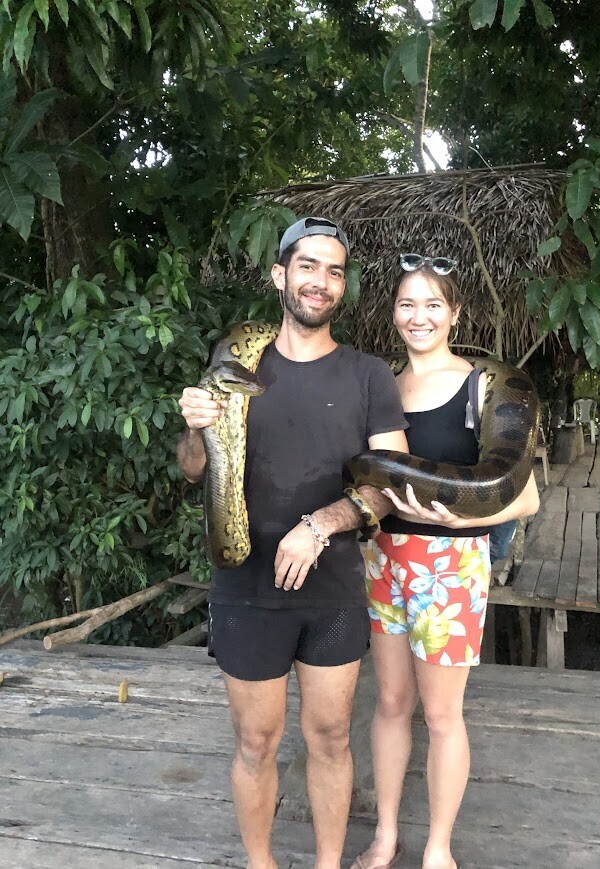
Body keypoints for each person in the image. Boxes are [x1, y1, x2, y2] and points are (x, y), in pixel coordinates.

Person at [177, 217, 409, 869]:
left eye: (334, 270)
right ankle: (261, 862)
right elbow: (195, 468)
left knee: (330, 735)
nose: (321, 280)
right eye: (308, 265)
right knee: (255, 739)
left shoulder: (368, 377)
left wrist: (322, 523)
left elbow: (388, 487)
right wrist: (194, 427)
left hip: (333, 587)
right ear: (280, 275)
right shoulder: (236, 367)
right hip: (245, 586)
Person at [352, 254, 540, 869]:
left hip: (451, 563)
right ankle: (385, 836)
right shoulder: (381, 386)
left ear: (455, 313)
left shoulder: (483, 386)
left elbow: (527, 496)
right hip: (387, 557)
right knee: (389, 704)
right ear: (393, 314)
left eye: (433, 304)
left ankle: (438, 848)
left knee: (441, 713)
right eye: (407, 304)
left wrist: (466, 519)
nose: (419, 316)